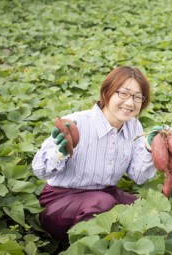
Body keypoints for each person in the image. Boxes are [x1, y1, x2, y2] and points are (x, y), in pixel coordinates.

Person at [32, 66, 158, 241]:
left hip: (105, 193)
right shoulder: (77, 122)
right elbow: (39, 170)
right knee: (102, 202)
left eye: (137, 97)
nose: (130, 103)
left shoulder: (134, 126)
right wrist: (59, 154)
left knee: (141, 208)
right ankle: (82, 246)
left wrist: (149, 148)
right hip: (60, 200)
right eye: (123, 94)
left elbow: (139, 176)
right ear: (106, 92)